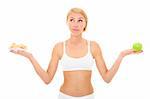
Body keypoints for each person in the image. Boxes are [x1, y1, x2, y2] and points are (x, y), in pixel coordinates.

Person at [10, 8, 143, 99]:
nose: (75, 24)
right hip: (64, 97)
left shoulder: (94, 46)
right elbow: (47, 79)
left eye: (80, 20)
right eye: (72, 19)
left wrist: (122, 55)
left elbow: (107, 78)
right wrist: (30, 57)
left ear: (85, 24)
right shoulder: (59, 47)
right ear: (67, 23)